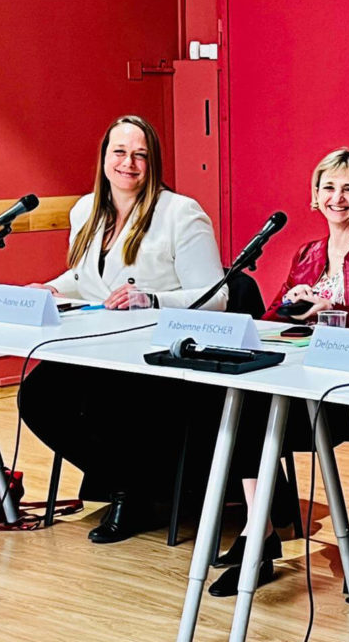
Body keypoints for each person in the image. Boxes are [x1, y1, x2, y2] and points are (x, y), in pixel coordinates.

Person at [206, 147, 349, 596]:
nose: (337, 197)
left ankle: (257, 535)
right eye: (328, 188)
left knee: (251, 414)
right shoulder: (306, 252)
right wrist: (289, 306)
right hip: (298, 381)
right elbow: (267, 321)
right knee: (235, 405)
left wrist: (333, 312)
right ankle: (258, 532)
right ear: (314, 196)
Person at [19, 115, 229, 543]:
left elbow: (216, 296)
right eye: (119, 152)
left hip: (156, 355)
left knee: (106, 400)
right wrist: (49, 287)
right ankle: (130, 482)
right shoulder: (86, 210)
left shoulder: (180, 213)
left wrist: (151, 298)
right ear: (104, 158)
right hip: (96, 346)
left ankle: (131, 493)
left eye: (140, 155)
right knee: (38, 398)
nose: (128, 163)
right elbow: (83, 278)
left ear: (153, 164)